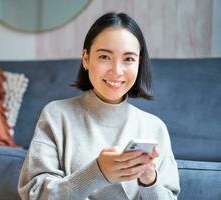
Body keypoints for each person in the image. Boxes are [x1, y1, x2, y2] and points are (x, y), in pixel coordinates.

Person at [18, 12, 180, 200]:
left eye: (128, 59)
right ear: (86, 59)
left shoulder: (155, 127)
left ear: (139, 63)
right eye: (105, 57)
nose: (117, 71)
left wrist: (149, 180)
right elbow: (34, 194)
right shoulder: (56, 115)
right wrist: (97, 173)